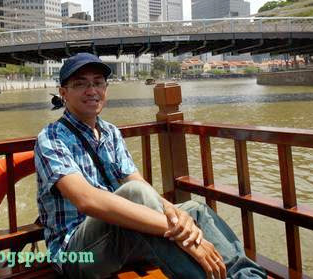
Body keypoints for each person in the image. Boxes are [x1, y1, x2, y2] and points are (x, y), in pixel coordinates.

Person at [34, 53, 266, 279]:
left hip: (121, 241)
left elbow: (135, 179)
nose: (92, 90)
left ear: (106, 89)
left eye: (98, 83)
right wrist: (175, 229)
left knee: (194, 210)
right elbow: (87, 199)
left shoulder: (110, 132)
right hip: (76, 255)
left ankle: (248, 275)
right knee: (137, 198)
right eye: (80, 84)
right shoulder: (51, 138)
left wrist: (175, 215)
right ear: (64, 93)